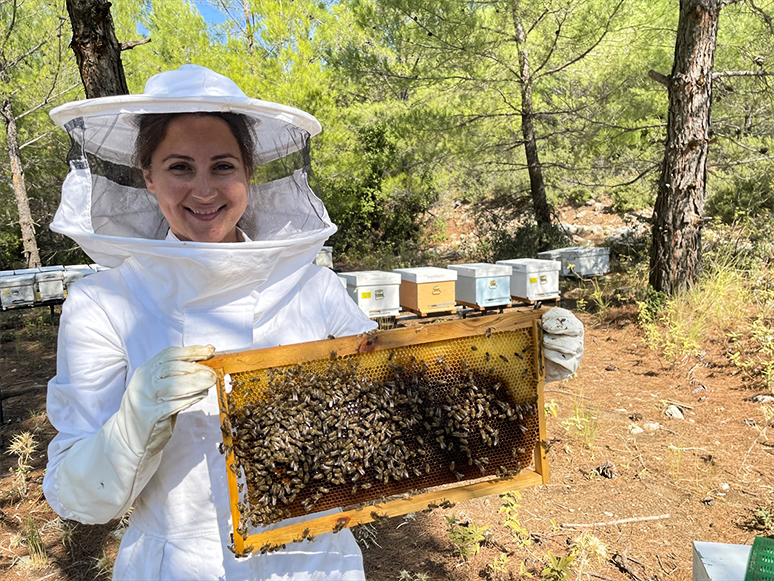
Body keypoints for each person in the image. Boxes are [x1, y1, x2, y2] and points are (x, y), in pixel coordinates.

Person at [43, 64, 583, 580]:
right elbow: (78, 497)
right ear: (148, 178)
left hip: (313, 562)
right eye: (179, 167)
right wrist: (133, 422)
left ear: (248, 174)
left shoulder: (312, 286)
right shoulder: (103, 303)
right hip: (179, 565)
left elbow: (403, 398)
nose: (203, 190)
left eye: (223, 166)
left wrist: (514, 369)